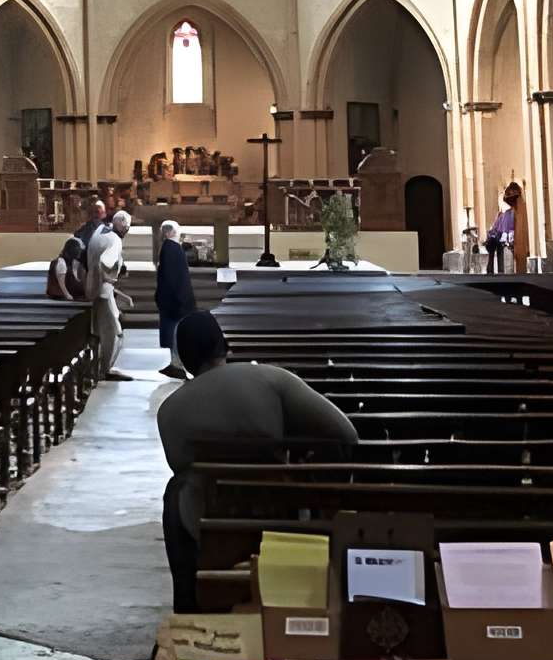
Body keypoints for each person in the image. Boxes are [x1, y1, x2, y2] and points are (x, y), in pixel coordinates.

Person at [156, 310, 359, 615]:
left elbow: (180, 466)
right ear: (225, 347)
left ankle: (189, 607)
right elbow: (346, 434)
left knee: (176, 491)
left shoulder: (169, 411)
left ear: (183, 359)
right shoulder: (270, 378)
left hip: (205, 522)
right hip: (280, 515)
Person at [82, 206, 133, 379]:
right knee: (113, 331)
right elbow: (105, 261)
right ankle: (106, 369)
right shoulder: (115, 240)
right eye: (127, 228)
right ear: (123, 227)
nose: (127, 231)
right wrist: (109, 276)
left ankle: (93, 368)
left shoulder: (99, 231)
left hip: (92, 287)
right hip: (104, 290)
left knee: (96, 331)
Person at [155, 217, 196, 379]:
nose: (179, 235)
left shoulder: (168, 248)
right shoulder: (172, 248)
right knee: (176, 333)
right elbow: (176, 278)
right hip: (176, 301)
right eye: (177, 232)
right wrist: (183, 299)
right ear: (169, 232)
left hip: (170, 299)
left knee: (172, 332)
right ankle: (176, 364)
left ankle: (175, 363)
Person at [485, 181, 524, 274]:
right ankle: (495, 269)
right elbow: (498, 228)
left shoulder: (511, 213)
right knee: (496, 248)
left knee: (499, 250)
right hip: (498, 237)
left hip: (501, 237)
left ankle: (497, 270)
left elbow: (505, 228)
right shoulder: (506, 214)